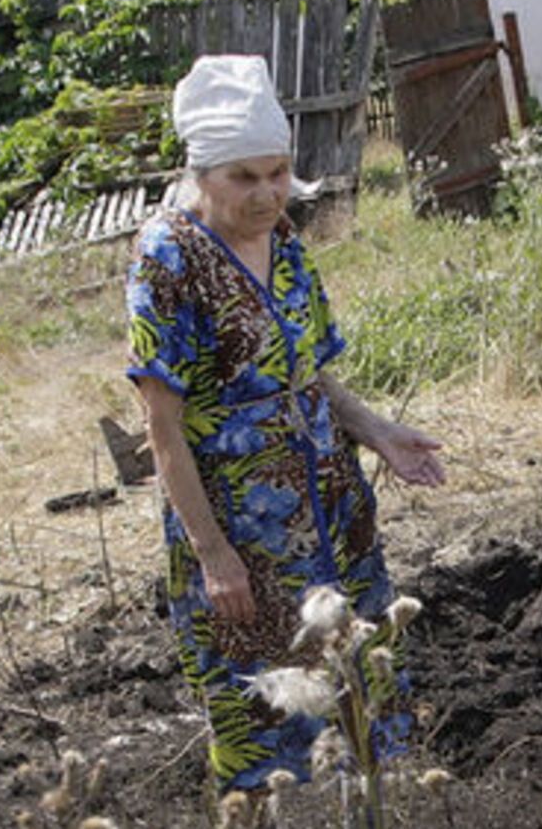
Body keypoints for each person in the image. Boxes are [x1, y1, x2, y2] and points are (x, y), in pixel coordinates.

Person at [126, 56, 446, 792]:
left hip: (330, 503)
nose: (268, 192)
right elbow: (162, 427)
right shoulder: (168, 259)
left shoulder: (286, 242)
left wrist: (378, 432)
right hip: (242, 528)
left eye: (277, 172)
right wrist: (214, 555)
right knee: (266, 701)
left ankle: (376, 801)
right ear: (201, 171)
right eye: (245, 177)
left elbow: (308, 371)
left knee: (358, 664)